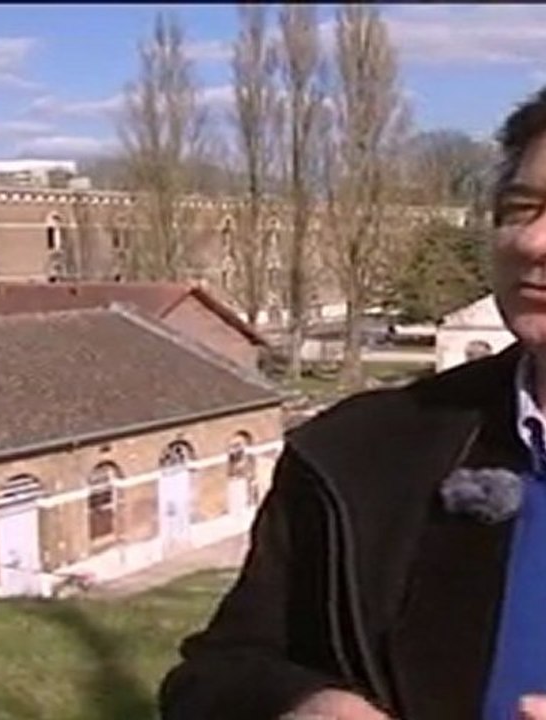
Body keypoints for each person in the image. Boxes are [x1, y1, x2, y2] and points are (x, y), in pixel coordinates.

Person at [159, 85, 546, 720]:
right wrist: (304, 706)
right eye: (519, 207)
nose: (531, 244)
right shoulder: (356, 456)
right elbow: (214, 675)